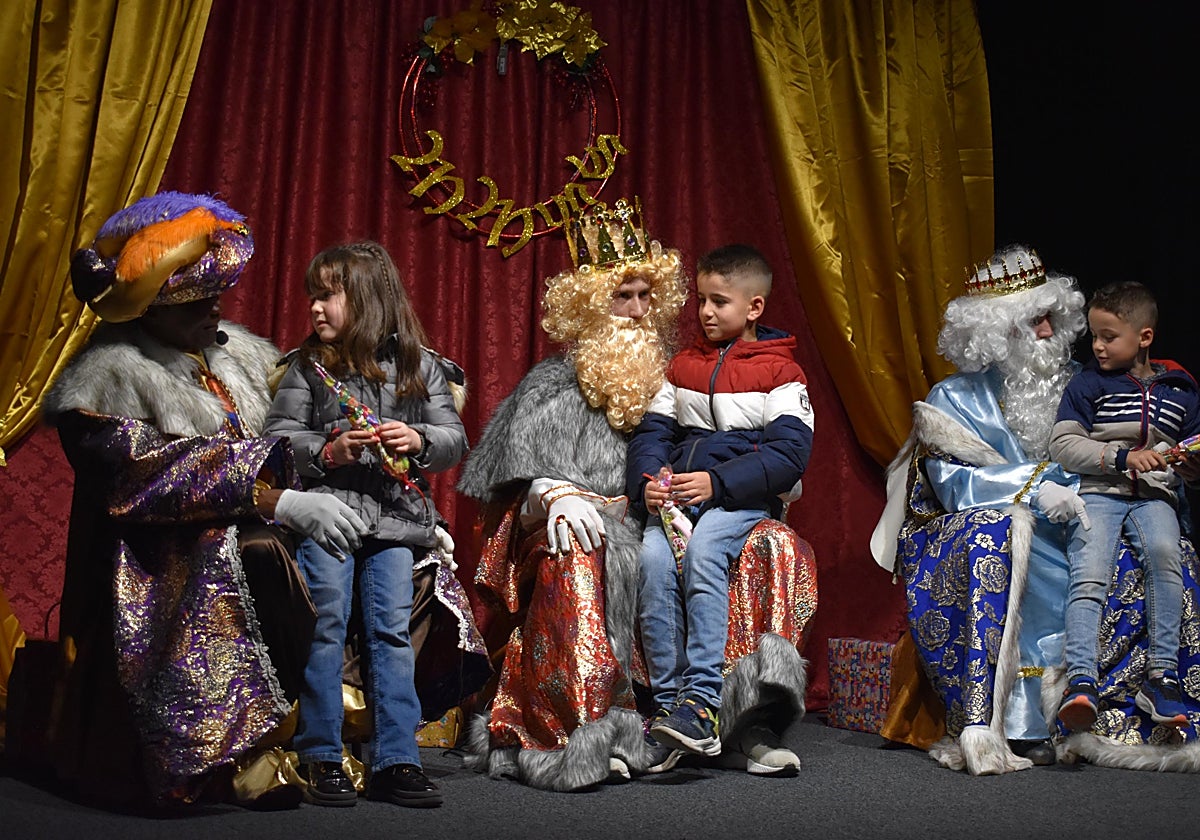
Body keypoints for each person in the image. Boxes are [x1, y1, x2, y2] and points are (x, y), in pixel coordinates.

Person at [457, 199, 814, 791]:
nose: (638, 310)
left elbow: (772, 447)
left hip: (678, 510)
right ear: (588, 304)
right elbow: (506, 485)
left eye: (648, 296)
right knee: (583, 553)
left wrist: (707, 489)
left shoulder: (675, 372)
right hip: (584, 524)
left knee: (771, 544)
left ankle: (736, 721)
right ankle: (587, 731)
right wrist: (551, 493)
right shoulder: (551, 384)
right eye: (623, 296)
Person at [41, 192, 369, 806]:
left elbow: (305, 427)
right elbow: (145, 477)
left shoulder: (240, 354)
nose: (216, 307)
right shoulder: (108, 378)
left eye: (216, 295)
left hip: (259, 518)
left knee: (391, 553)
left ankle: (324, 727)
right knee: (262, 554)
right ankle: (237, 746)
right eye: (196, 299)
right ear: (151, 310)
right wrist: (272, 500)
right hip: (165, 553)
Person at [872, 244, 1200, 775]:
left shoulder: (1089, 382)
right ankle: (1018, 722)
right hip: (999, 520)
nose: (1049, 331)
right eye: (1033, 321)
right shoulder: (956, 398)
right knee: (1006, 540)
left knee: (1162, 548)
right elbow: (951, 483)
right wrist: (1036, 487)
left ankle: (1124, 707)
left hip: (1093, 508)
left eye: (1051, 316)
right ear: (994, 333)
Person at [264, 241, 469, 809]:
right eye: (312, 296)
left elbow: (453, 438)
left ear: (368, 300)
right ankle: (321, 753)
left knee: (390, 634)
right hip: (330, 518)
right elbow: (276, 438)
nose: (315, 308)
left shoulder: (419, 365)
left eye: (328, 296)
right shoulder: (307, 367)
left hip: (395, 523)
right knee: (325, 625)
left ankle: (396, 758)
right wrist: (328, 451)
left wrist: (419, 439)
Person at [626, 244, 812, 773]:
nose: (706, 312)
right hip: (679, 501)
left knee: (705, 551)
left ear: (754, 307)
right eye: (701, 300)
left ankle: (702, 700)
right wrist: (647, 484)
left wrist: (718, 483)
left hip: (740, 502)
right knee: (652, 559)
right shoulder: (682, 366)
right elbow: (652, 435)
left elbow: (789, 454)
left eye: (719, 302)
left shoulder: (782, 373)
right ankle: (669, 708)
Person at [1050, 281, 1200, 731]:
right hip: (1100, 492)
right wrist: (1121, 457)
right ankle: (1081, 680)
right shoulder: (1089, 383)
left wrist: (1190, 467)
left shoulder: (1180, 388)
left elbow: (1190, 449)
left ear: (1144, 337)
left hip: (1155, 496)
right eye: (1094, 336)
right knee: (1090, 572)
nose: (1097, 346)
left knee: (1165, 558)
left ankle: (1162, 677)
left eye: (1109, 337)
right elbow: (1063, 444)